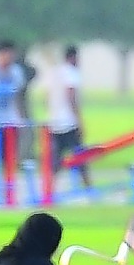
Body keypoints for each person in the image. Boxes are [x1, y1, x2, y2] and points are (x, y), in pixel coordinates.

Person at [44, 44, 91, 188]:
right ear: (73, 57)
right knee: (80, 155)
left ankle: (49, 188)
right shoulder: (71, 73)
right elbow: (71, 96)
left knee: (56, 159)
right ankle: (88, 186)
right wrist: (79, 120)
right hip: (69, 122)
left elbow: (47, 96)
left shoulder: (54, 72)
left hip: (54, 121)